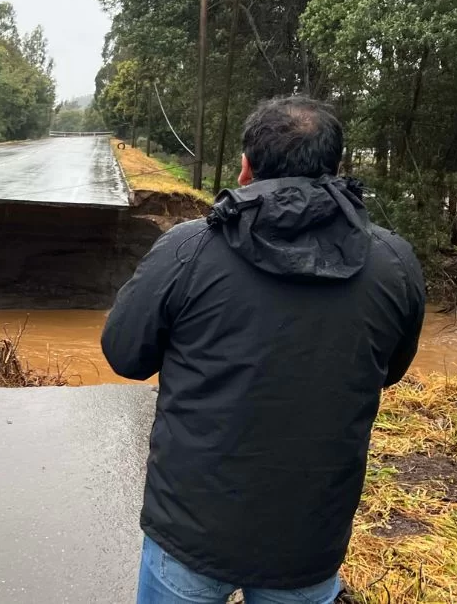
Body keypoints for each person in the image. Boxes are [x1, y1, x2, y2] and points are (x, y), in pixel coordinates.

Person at [102, 96, 425, 604]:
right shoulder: (393, 261)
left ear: (246, 167)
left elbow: (125, 354)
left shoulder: (189, 248)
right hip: (309, 538)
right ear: (336, 168)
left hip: (191, 529)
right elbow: (390, 369)